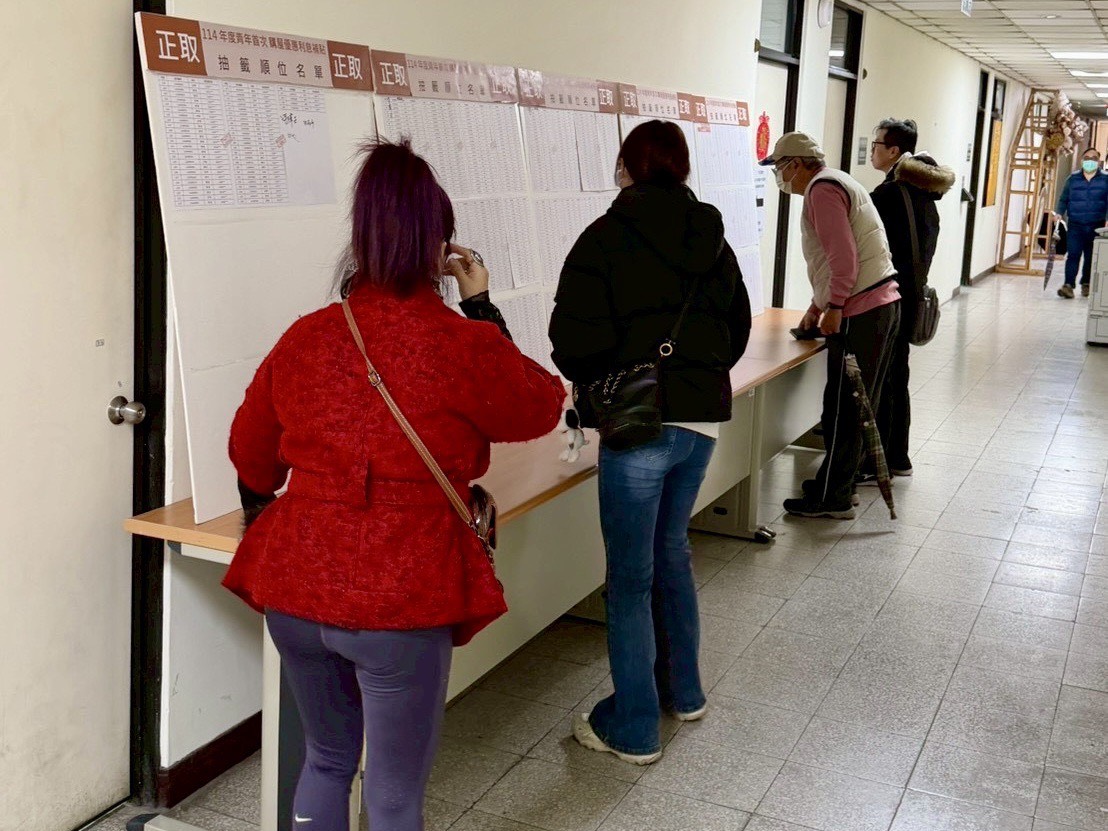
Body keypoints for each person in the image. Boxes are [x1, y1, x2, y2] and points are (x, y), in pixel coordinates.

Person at [222, 140, 566, 831]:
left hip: (297, 584)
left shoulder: (306, 338)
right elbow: (539, 405)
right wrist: (482, 305)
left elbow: (250, 458)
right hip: (402, 591)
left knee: (325, 758)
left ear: (359, 239)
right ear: (440, 246)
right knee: (393, 792)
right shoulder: (460, 343)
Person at [549, 120, 752, 764]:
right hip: (701, 424)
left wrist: (619, 370)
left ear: (625, 168)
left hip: (637, 428)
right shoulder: (714, 240)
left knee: (630, 579)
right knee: (672, 554)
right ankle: (683, 693)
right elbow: (737, 329)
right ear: (683, 169)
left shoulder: (603, 238)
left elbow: (571, 343)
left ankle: (634, 727)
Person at [760, 132, 901, 519]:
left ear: (797, 164)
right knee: (854, 405)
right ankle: (839, 485)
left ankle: (832, 497)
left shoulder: (822, 192)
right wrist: (816, 305)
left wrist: (834, 306)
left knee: (843, 408)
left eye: (779, 166)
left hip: (862, 310)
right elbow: (833, 261)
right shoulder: (837, 181)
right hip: (879, 304)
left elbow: (843, 258)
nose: (778, 175)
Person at [863, 118, 954, 479]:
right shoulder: (923, 193)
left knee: (884, 379)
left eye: (876, 144)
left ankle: (880, 460)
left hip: (889, 298)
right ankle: (897, 456)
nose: (872, 150)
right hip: (910, 295)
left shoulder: (891, 195)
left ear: (893, 151)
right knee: (896, 377)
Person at [1054, 147, 1108, 298]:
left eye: (1094, 158)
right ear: (1082, 160)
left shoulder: (1105, 179)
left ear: (1098, 161)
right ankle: (1068, 285)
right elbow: (1064, 199)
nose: (1090, 161)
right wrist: (1059, 213)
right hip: (1075, 224)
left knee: (1091, 257)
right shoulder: (1073, 179)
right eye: (1087, 158)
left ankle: (1086, 284)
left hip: (1096, 225)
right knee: (1073, 255)